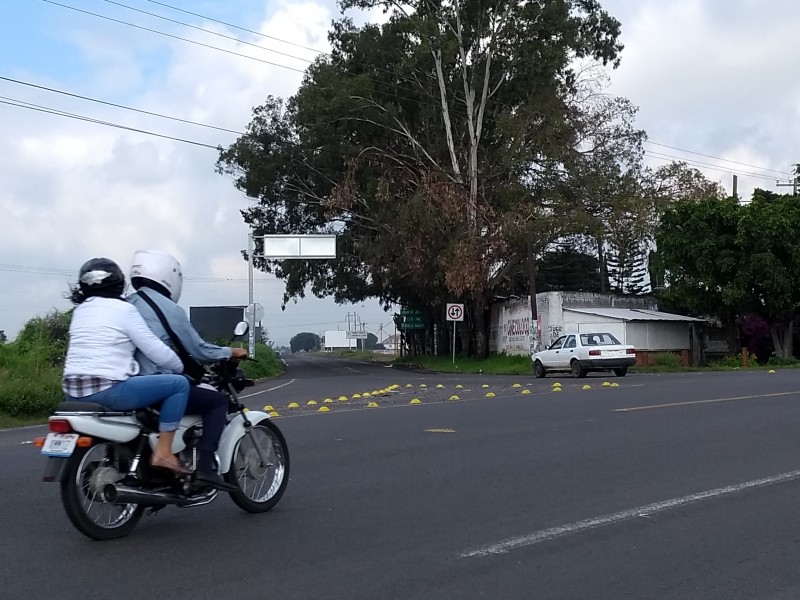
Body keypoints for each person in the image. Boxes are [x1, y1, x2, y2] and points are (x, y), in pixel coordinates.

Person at [127, 250, 247, 491]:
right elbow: (199, 349)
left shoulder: (126, 304)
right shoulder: (170, 310)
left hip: (125, 385)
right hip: (155, 386)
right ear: (169, 276)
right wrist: (230, 352)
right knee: (216, 402)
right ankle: (205, 469)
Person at [62, 257, 191, 476]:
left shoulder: (80, 311)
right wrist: (179, 366)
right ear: (120, 284)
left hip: (72, 394)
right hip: (109, 391)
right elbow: (154, 349)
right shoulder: (124, 310)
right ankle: (163, 453)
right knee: (178, 385)